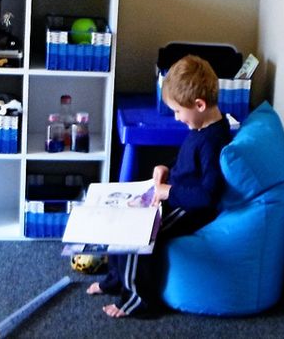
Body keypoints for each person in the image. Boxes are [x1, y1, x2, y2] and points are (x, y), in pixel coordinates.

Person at [87, 54, 232, 318]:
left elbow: (208, 195)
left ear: (198, 104)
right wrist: (167, 168)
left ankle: (136, 300)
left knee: (137, 234)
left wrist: (170, 192)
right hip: (176, 194)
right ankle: (115, 279)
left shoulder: (213, 140)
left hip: (189, 207)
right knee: (121, 218)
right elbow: (188, 161)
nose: (177, 117)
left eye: (178, 111)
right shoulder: (202, 127)